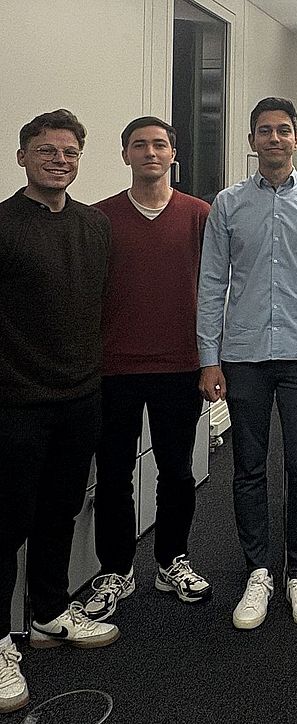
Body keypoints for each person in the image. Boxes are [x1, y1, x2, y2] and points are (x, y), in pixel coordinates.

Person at [197, 97, 297, 631]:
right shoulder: (228, 204)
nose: (274, 138)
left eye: (283, 130)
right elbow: (212, 282)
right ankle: (258, 570)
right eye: (265, 131)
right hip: (245, 357)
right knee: (249, 469)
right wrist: (208, 358)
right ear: (252, 140)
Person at [0, 110, 118, 715]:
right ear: (22, 155)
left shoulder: (94, 225)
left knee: (60, 511)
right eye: (47, 150)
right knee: (6, 525)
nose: (59, 160)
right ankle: (0, 641)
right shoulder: (3, 225)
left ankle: (48, 612)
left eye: (69, 152)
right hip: (15, 402)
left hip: (80, 397)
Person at [81, 117, 212, 624]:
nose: (150, 153)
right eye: (140, 145)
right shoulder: (100, 217)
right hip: (114, 368)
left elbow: (216, 289)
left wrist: (212, 359)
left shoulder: (199, 215)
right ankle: (116, 570)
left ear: (173, 154)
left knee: (177, 472)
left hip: (180, 365)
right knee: (114, 475)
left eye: (160, 145)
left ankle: (171, 560)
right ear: (125, 155)